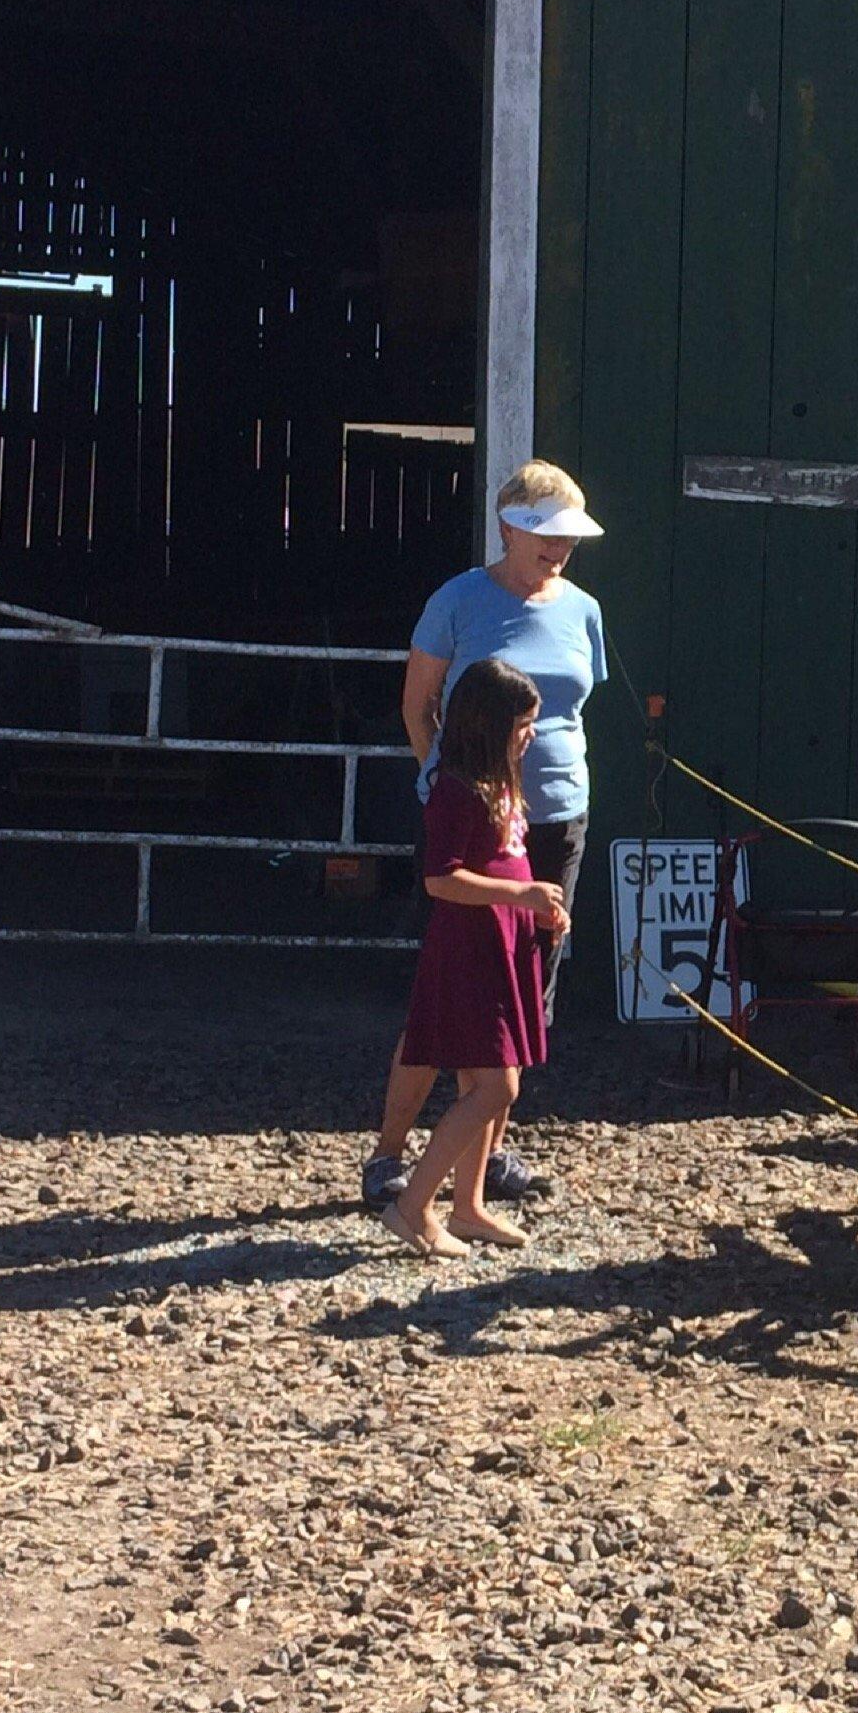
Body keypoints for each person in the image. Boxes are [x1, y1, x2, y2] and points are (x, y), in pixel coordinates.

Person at [362, 460, 607, 1212]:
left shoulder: (583, 610)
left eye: (568, 538)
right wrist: (456, 785)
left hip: (554, 816)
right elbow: (419, 704)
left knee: (527, 994)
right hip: (478, 819)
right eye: (546, 535)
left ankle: (485, 1156)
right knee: (450, 992)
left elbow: (571, 707)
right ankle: (390, 1153)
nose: (559, 550)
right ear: (509, 528)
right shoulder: (459, 600)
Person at [379, 659, 568, 1258]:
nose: (530, 735)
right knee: (495, 1088)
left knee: (480, 1081)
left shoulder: (501, 786)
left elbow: (501, 864)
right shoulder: (456, 792)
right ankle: (413, 1206)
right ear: (489, 724)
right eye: (522, 725)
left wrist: (540, 910)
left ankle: (470, 1207)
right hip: (468, 954)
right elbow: (442, 879)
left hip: (502, 946)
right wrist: (524, 894)